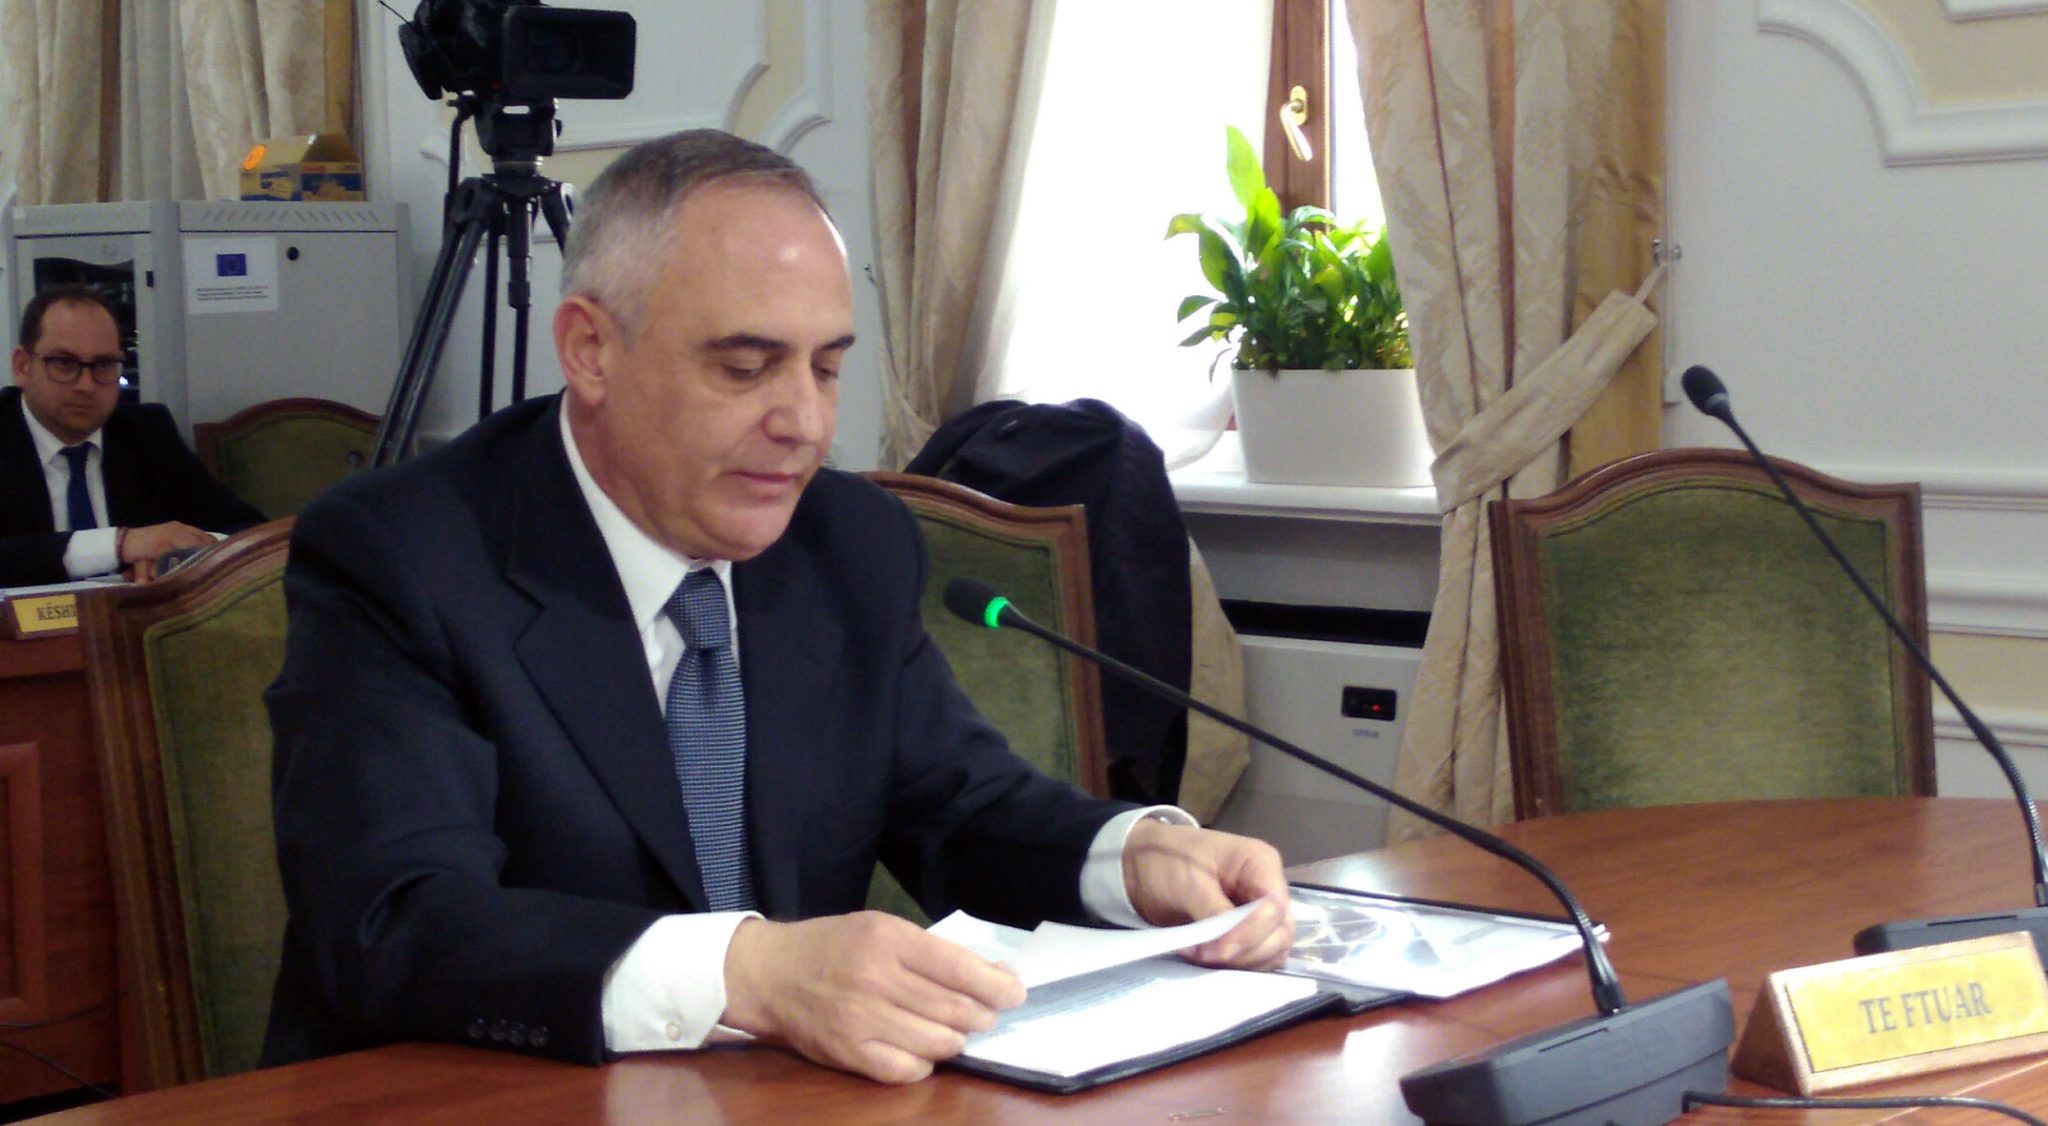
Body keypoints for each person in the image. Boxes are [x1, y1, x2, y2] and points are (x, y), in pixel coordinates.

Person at [262, 129, 1295, 1084]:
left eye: (827, 368)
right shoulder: (404, 555)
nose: (803, 422)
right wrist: (747, 971)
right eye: (745, 367)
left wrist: (1134, 858)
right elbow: (396, 921)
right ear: (589, 351)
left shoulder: (848, 542)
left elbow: (964, 809)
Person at [1, 285, 267, 587]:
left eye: (103, 365)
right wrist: (119, 545)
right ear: (22, 366)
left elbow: (248, 530)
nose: (86, 385)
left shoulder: (147, 433)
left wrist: (179, 553)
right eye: (64, 363)